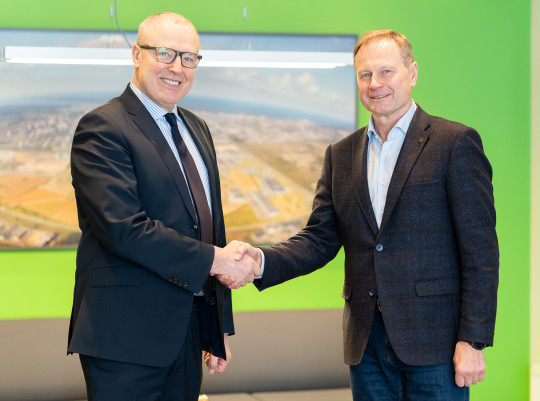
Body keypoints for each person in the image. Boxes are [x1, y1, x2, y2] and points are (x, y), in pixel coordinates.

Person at [237, 30, 499, 400]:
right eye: (365, 74)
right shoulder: (341, 155)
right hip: (366, 347)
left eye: (386, 71)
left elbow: (480, 252)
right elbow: (318, 240)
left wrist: (472, 341)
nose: (375, 84)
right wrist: (260, 261)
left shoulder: (454, 143)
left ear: (412, 72)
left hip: (436, 346)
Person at [67, 12, 259, 401]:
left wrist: (217, 325)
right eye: (165, 53)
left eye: (189, 58)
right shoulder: (103, 128)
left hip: (187, 335)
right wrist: (218, 260)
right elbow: (124, 229)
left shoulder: (196, 128)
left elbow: (208, 226)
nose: (177, 68)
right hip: (124, 339)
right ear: (136, 54)